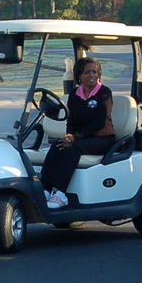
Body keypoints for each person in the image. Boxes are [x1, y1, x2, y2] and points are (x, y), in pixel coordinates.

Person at [40, 56, 115, 208]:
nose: (92, 75)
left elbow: (99, 123)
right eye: (87, 72)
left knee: (73, 149)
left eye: (95, 72)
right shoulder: (75, 94)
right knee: (57, 146)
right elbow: (71, 119)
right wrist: (68, 135)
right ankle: (46, 189)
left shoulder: (104, 93)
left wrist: (75, 137)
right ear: (79, 75)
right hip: (81, 138)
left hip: (103, 139)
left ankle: (61, 193)